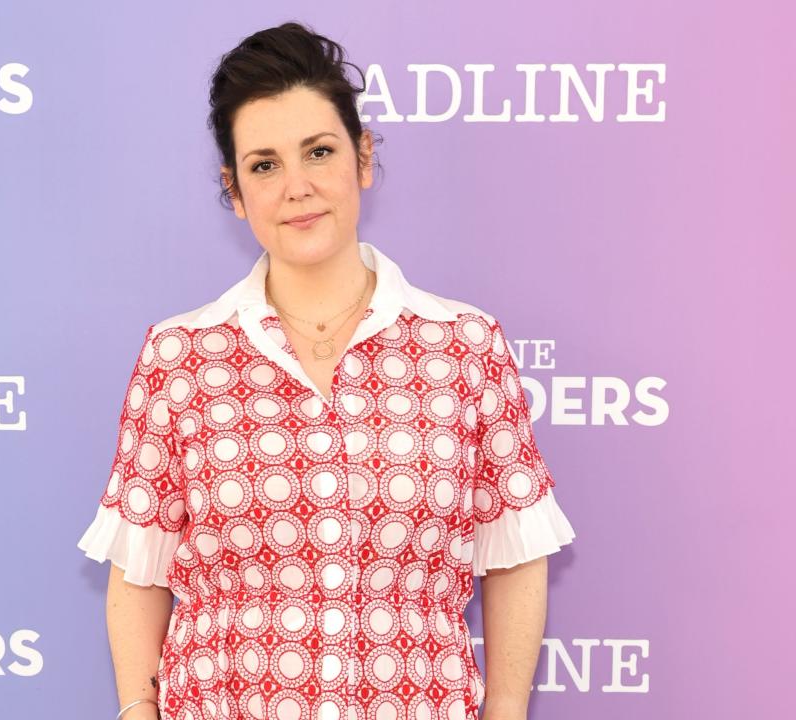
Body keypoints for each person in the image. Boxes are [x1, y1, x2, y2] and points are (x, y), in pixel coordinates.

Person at [78, 21, 576, 720]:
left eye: (318, 151)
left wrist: (506, 710)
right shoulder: (179, 357)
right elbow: (138, 569)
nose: (297, 187)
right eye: (264, 164)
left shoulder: (465, 347)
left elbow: (518, 554)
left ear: (363, 158)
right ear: (234, 189)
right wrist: (137, 709)